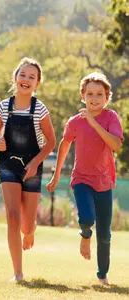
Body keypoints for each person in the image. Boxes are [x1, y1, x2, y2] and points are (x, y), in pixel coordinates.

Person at [47, 72, 123, 286]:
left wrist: (93, 122)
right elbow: (64, 145)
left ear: (107, 97)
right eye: (90, 93)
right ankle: (85, 234)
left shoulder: (111, 118)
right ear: (82, 95)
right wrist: (56, 174)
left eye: (100, 94)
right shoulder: (74, 122)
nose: (94, 98)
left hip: (104, 182)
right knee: (88, 218)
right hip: (81, 179)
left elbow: (116, 145)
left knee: (105, 234)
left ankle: (102, 275)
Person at [0, 57, 56, 282]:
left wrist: (35, 163)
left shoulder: (40, 109)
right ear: (15, 78)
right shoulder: (2, 107)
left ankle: (30, 230)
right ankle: (18, 272)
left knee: (26, 225)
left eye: (32, 77)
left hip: (32, 165)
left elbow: (51, 142)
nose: (26, 80)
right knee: (12, 216)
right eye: (23, 75)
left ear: (37, 83)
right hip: (8, 165)